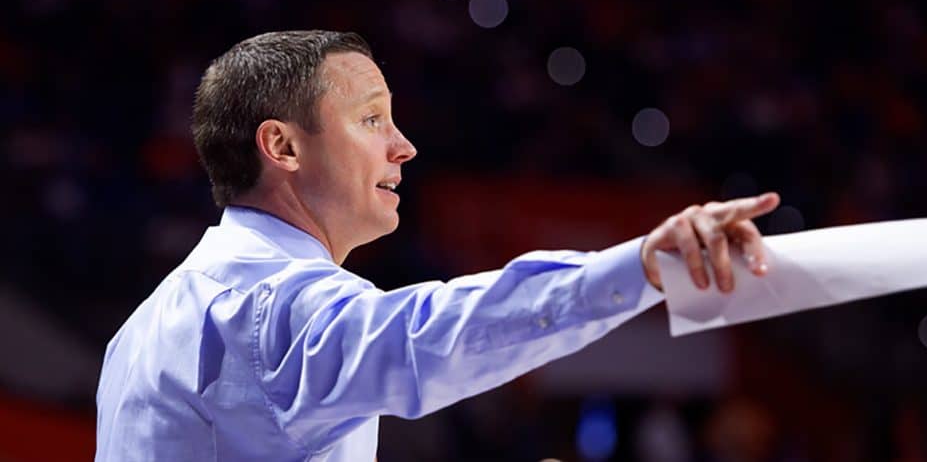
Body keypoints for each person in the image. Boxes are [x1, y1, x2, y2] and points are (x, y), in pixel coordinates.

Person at [95, 30, 780, 461]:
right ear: (281, 146)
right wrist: (638, 267)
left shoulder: (143, 327)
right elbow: (437, 333)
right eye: (371, 119)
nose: (404, 147)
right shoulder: (276, 310)